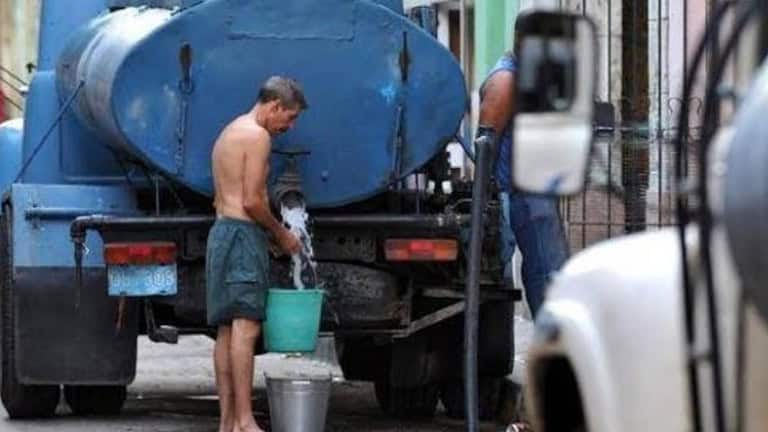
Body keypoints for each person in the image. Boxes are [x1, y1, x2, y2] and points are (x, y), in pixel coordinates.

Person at [207, 76, 307, 432]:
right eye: (290, 117)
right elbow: (251, 200)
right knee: (246, 327)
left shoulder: (229, 131)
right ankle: (246, 421)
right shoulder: (258, 136)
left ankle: (228, 422)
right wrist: (281, 235)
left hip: (221, 233)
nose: (289, 127)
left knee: (226, 329)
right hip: (241, 233)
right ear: (275, 105)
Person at [479, 51, 569, 318]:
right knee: (547, 273)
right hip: (517, 194)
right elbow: (486, 142)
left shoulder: (524, 75)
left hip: (530, 190)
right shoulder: (507, 78)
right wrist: (485, 194)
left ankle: (553, 336)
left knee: (548, 272)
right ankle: (553, 336)